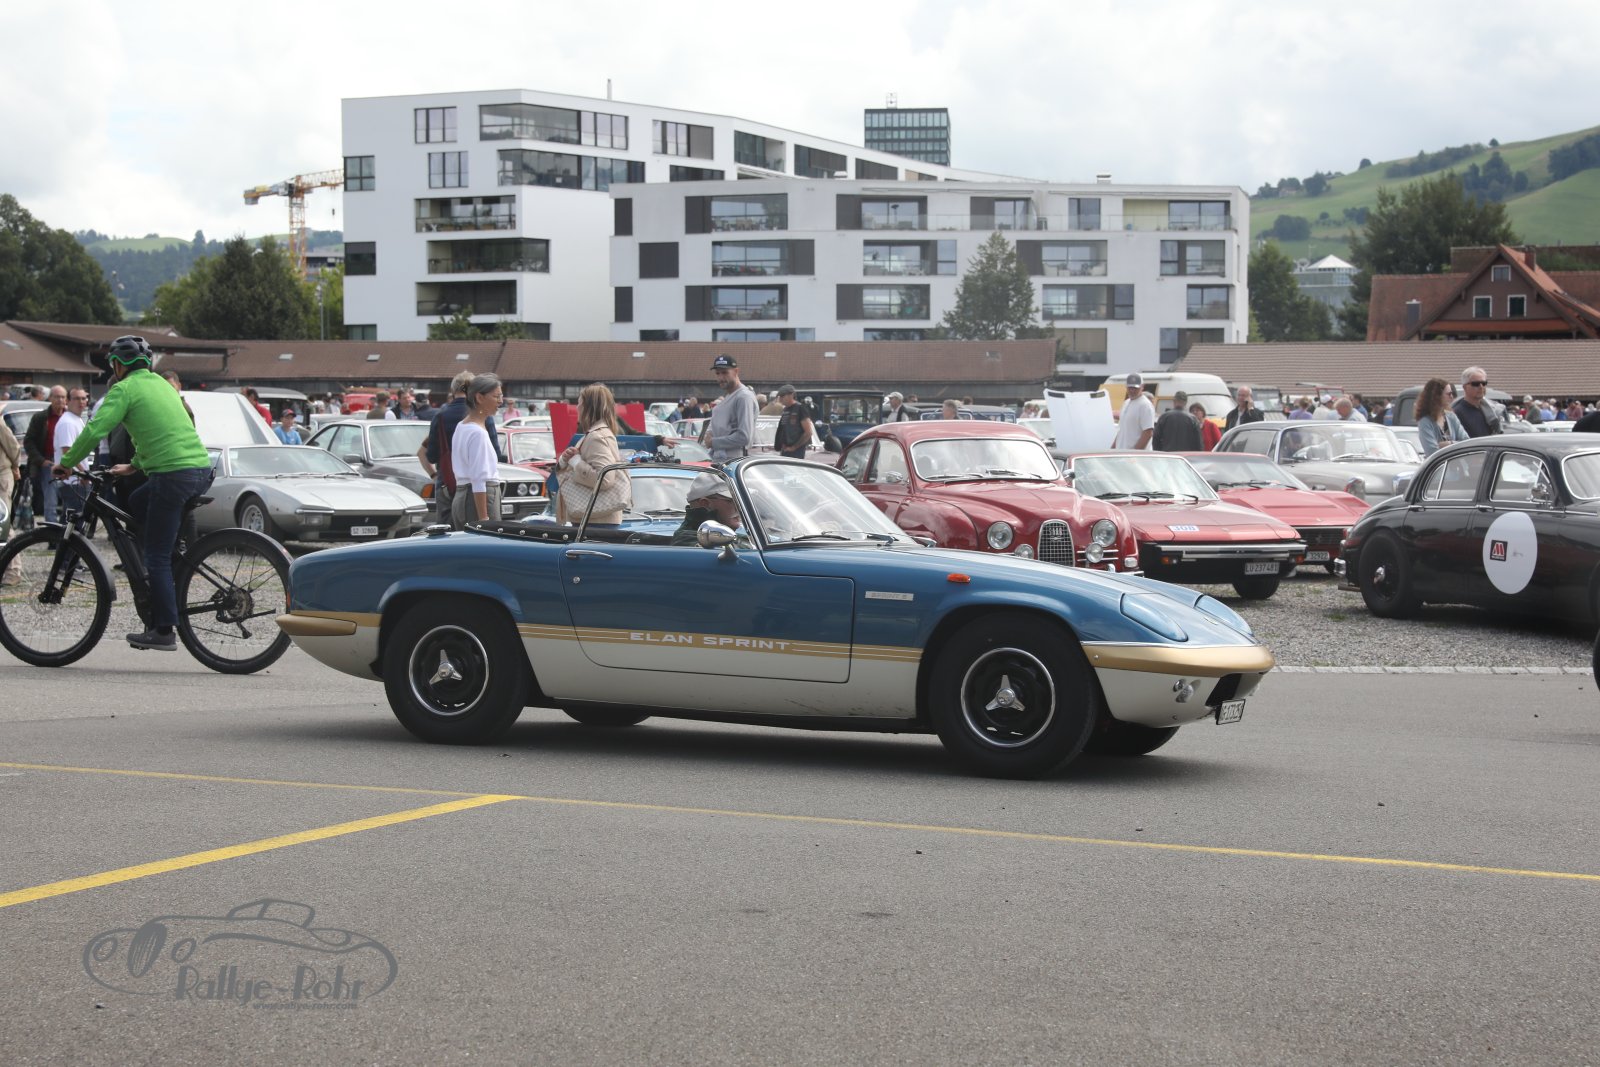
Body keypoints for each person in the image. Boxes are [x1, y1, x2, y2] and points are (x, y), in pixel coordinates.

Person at [55, 336, 213, 651]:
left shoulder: (124, 389)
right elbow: (162, 433)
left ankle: (164, 630)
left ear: (118, 364)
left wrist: (67, 463)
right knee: (137, 501)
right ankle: (169, 562)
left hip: (172, 475)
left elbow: (96, 429)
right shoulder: (162, 385)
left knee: (155, 555)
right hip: (199, 470)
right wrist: (134, 465)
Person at [420, 370, 498, 529]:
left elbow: (432, 456)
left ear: (453, 390)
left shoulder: (441, 416)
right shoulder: (483, 417)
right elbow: (494, 454)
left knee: (447, 536)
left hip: (447, 484)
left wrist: (434, 475)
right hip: (480, 490)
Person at [555, 382, 629, 525]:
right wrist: (565, 460)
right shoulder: (598, 434)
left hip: (594, 522)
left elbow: (605, 479)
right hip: (595, 520)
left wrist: (576, 462)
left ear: (588, 408)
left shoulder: (596, 437)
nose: (577, 407)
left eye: (579, 403)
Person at [449, 374, 503, 527]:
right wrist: (483, 519)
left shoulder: (462, 426)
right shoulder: (477, 433)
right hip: (478, 500)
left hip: (462, 496)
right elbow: (478, 479)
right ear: (479, 398)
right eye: (496, 396)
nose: (500, 401)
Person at [24, 385, 66, 522]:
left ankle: (67, 529)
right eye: (57, 397)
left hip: (68, 461)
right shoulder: (41, 418)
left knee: (69, 498)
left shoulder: (70, 417)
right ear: (50, 398)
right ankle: (52, 530)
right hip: (49, 462)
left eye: (63, 397)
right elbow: (29, 441)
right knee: (50, 500)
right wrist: (41, 461)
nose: (60, 400)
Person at [706, 354, 759, 462]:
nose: (721, 378)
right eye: (717, 373)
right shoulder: (731, 396)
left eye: (725, 372)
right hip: (723, 461)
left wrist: (713, 442)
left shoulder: (743, 397)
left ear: (736, 371)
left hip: (734, 462)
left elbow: (744, 437)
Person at [672, 471, 742, 546]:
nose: (739, 507)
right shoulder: (688, 539)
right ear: (705, 504)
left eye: (741, 501)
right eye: (732, 501)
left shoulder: (728, 534)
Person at [52, 388, 93, 517]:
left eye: (84, 398)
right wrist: (83, 473)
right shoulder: (68, 423)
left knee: (69, 521)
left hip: (76, 480)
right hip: (73, 481)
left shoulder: (76, 419)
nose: (81, 402)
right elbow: (67, 452)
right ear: (67, 401)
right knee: (77, 521)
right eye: (76, 398)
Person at [1415, 378, 1468, 456]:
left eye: (1452, 393)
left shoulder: (1451, 416)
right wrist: (1456, 445)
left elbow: (1466, 442)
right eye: (1449, 394)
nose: (1452, 397)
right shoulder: (1425, 421)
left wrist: (1449, 444)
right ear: (1437, 396)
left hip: (1457, 462)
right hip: (1438, 463)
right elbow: (1432, 451)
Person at [1453, 366, 1501, 438]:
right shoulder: (1456, 412)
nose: (1481, 387)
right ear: (1465, 387)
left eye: (1484, 383)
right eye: (1475, 384)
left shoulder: (1491, 410)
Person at [1111, 373, 1155, 450]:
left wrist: (1135, 453)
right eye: (1130, 387)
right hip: (1123, 453)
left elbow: (1148, 433)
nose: (1132, 390)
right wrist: (1112, 449)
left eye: (1135, 388)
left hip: (1134, 456)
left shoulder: (1145, 405)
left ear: (1142, 387)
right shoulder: (1126, 403)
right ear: (1126, 387)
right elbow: (1121, 430)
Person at [773, 384, 814, 459]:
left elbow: (808, 432)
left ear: (791, 395)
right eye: (780, 396)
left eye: (783, 396)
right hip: (785, 450)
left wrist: (794, 447)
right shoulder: (785, 410)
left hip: (797, 452)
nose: (780, 399)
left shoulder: (800, 408)